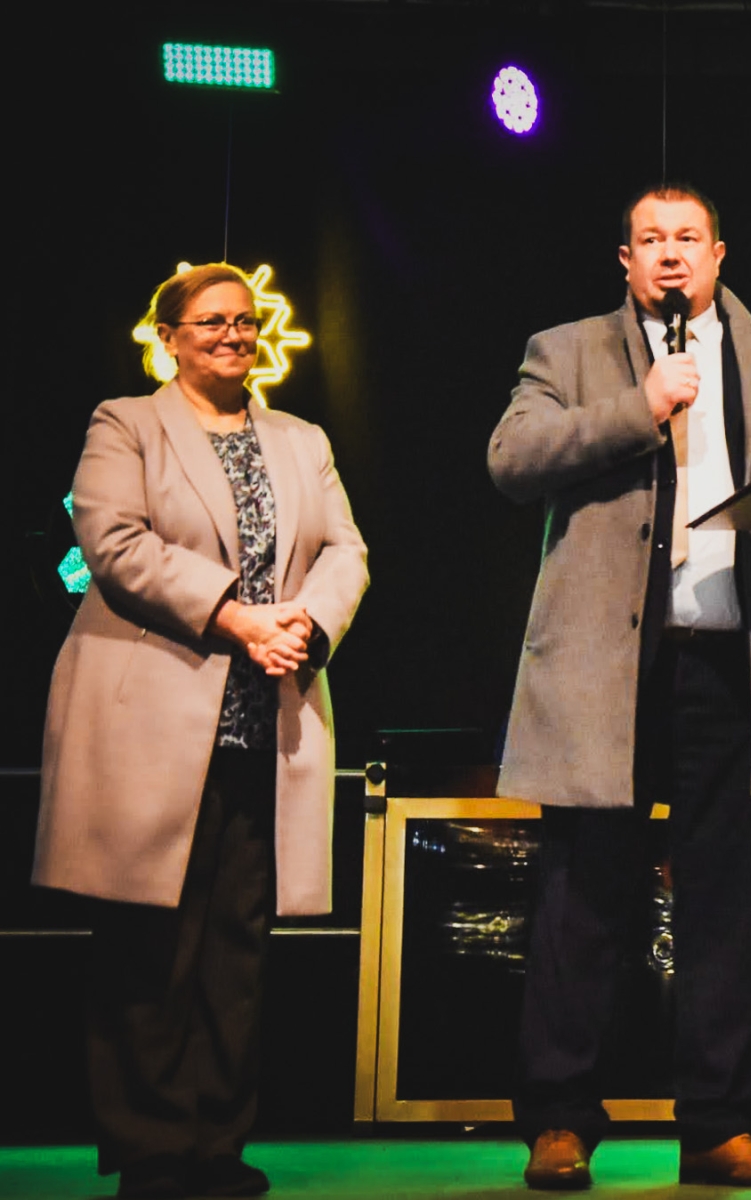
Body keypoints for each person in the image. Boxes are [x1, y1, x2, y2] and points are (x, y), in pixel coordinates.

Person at [488, 183, 751, 1191]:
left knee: (721, 905)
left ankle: (717, 1128)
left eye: (687, 238)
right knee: (582, 899)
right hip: (606, 669)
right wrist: (641, 406)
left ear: (718, 255)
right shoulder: (565, 351)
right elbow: (512, 459)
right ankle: (560, 1121)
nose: (670, 253)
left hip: (733, 665)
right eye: (650, 239)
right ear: (625, 261)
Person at [34, 263, 369, 1199]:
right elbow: (115, 544)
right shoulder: (125, 424)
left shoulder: (301, 439)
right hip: (149, 718)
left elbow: (346, 549)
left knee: (236, 947)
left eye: (245, 320)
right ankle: (151, 1147)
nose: (233, 333)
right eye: (212, 321)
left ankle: (217, 1142)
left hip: (264, 721)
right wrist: (239, 618)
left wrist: (306, 625)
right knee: (147, 946)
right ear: (170, 337)